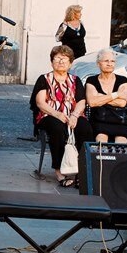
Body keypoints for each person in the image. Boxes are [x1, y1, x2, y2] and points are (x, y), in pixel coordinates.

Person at [33, 45, 94, 186]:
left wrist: (74, 115)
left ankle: (81, 171)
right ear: (51, 61)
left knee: (85, 128)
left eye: (65, 59)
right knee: (57, 128)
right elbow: (40, 103)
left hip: (72, 115)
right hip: (49, 115)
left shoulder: (75, 80)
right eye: (57, 59)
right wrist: (57, 114)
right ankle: (59, 171)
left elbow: (81, 101)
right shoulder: (44, 79)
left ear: (71, 63)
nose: (61, 62)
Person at [85, 48, 127, 144]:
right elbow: (92, 102)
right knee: (101, 142)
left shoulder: (122, 80)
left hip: (119, 120)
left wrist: (100, 98)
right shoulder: (91, 80)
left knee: (121, 144)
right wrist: (117, 94)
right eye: (106, 61)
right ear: (98, 63)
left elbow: (122, 103)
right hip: (99, 120)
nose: (109, 64)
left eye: (112, 61)